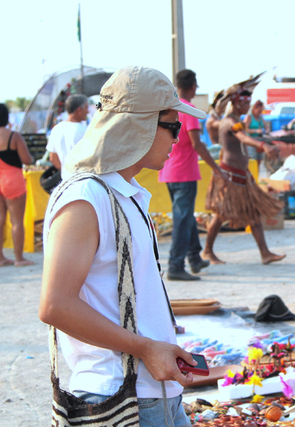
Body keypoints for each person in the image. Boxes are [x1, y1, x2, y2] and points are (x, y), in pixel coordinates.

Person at [39, 66, 202, 426]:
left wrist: (159, 332)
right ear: (139, 125)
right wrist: (145, 346)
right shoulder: (86, 198)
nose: (177, 139)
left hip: (157, 393)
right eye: (171, 127)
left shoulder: (124, 193)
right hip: (119, 396)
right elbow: (54, 305)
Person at [202, 75, 286, 265]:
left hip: (241, 175)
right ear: (237, 103)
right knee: (221, 214)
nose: (248, 106)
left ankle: (265, 253)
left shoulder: (235, 120)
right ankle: (207, 251)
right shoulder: (230, 122)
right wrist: (263, 146)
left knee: (253, 213)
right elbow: (243, 138)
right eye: (246, 102)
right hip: (230, 176)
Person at [158, 69, 224, 281]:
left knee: (186, 217)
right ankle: (176, 265)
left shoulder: (170, 108)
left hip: (169, 170)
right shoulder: (190, 110)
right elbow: (197, 143)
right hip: (184, 173)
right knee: (182, 219)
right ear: (193, 86)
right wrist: (216, 168)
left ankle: (194, 257)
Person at [0, 103, 34, 267]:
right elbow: (27, 160)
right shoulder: (14, 136)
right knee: (17, 221)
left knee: (0, 220)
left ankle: (0, 257)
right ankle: (19, 258)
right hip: (12, 181)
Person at [46, 94, 89, 172]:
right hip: (82, 178)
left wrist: (65, 171)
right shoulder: (84, 130)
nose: (88, 111)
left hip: (66, 179)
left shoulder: (57, 129)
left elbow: (52, 158)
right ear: (79, 110)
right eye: (86, 108)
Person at [242, 99, 267, 168]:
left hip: (259, 141)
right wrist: (256, 131)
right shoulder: (249, 117)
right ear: (254, 109)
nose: (260, 112)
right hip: (251, 141)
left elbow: (266, 126)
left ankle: (256, 175)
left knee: (259, 159)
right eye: (259, 110)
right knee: (253, 160)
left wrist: (265, 130)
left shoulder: (260, 117)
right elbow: (245, 129)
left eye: (261, 110)